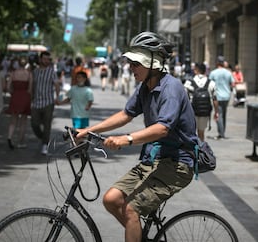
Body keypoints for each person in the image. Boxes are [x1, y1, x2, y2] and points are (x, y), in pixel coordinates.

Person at [76, 32, 198, 242]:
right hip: (154, 159)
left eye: (135, 63)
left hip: (178, 164)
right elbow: (125, 114)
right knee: (111, 199)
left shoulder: (171, 88)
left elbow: (162, 129)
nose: (130, 68)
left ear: (153, 63)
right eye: (130, 63)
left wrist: (127, 139)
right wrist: (89, 130)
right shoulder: (145, 87)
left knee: (131, 211)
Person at [31, 51, 60, 155]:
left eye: (48, 59)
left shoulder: (51, 71)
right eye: (45, 59)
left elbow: (56, 84)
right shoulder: (35, 71)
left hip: (48, 102)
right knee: (34, 124)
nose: (47, 61)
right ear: (40, 59)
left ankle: (44, 145)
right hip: (36, 102)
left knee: (47, 124)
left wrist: (57, 96)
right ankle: (43, 137)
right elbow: (32, 85)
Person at [184, 63, 219, 141]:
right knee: (201, 132)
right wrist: (216, 112)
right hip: (205, 112)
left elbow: (184, 98)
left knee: (191, 133)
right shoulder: (211, 83)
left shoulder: (189, 82)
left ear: (196, 70)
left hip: (192, 111)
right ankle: (201, 148)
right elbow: (215, 98)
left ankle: (193, 150)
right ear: (205, 71)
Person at [6, 56, 33, 149]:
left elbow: (8, 87)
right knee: (23, 121)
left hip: (15, 96)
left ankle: (9, 137)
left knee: (13, 120)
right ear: (26, 63)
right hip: (25, 96)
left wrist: (13, 93)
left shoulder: (13, 73)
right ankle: (20, 141)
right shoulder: (29, 74)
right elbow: (30, 89)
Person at [209, 56, 235, 139]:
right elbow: (233, 84)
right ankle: (223, 131)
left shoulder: (213, 73)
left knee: (218, 114)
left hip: (217, 96)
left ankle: (221, 133)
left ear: (217, 63)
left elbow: (209, 84)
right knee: (224, 114)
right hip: (226, 96)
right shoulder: (228, 73)